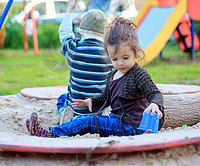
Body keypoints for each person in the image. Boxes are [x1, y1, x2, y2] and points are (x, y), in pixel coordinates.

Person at [26, 16, 164, 138]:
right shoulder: (113, 74)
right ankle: (56, 130)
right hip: (118, 122)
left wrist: (154, 104)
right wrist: (91, 101)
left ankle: (50, 133)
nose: (120, 63)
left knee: (87, 122)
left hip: (131, 127)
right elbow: (106, 98)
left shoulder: (139, 74)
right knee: (82, 119)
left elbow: (155, 93)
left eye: (125, 57)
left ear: (136, 51)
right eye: (114, 59)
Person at [57, 0, 113, 123]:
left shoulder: (73, 48)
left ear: (81, 29)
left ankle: (68, 114)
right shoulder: (111, 54)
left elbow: (64, 31)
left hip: (78, 109)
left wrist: (70, 10)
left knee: (61, 99)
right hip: (100, 107)